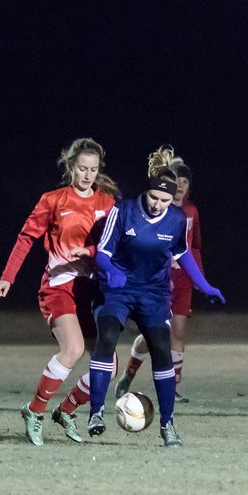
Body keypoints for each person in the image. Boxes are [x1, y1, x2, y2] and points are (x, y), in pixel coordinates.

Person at [85, 148, 225, 447]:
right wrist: (112, 271)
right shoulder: (123, 212)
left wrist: (204, 284)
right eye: (154, 198)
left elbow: (183, 254)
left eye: (165, 200)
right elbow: (103, 253)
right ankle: (95, 413)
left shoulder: (175, 219)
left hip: (153, 293)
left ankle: (167, 425)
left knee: (162, 348)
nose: (158, 204)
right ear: (146, 192)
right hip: (118, 290)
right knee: (107, 337)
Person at [0, 138, 119, 445]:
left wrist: (91, 252)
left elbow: (116, 246)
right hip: (59, 287)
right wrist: (8, 277)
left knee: (110, 366)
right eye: (82, 169)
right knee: (73, 349)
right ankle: (35, 411)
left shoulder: (108, 205)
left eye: (93, 169)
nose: (87, 175)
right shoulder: (53, 200)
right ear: (70, 167)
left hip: (91, 292)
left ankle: (66, 410)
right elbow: (25, 239)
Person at [113, 149, 201, 402]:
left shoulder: (191, 212)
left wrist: (199, 278)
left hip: (183, 281)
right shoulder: (154, 211)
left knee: (179, 332)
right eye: (178, 182)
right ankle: (129, 374)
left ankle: (173, 386)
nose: (181, 186)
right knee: (157, 333)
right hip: (161, 281)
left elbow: (194, 248)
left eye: (186, 182)